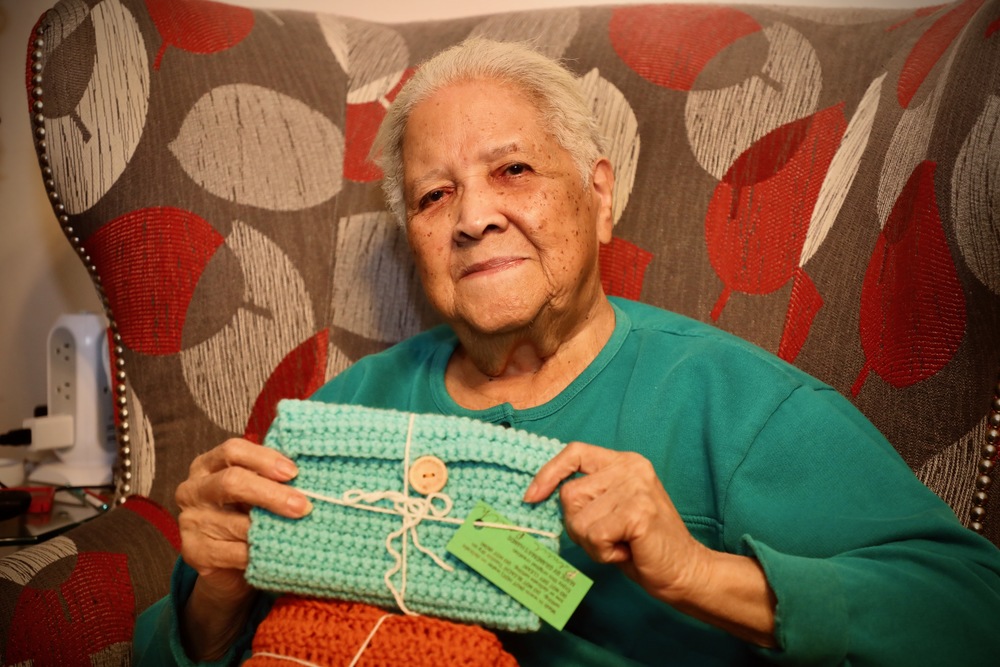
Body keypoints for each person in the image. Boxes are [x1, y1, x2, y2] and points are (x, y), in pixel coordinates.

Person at [134, 37, 1000, 666]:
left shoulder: (733, 404)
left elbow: (972, 614)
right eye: (436, 195)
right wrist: (215, 586)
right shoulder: (345, 414)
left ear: (599, 197)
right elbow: (201, 649)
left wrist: (698, 572)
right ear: (415, 240)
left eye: (513, 171)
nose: (473, 217)